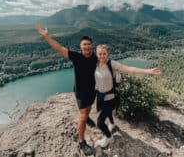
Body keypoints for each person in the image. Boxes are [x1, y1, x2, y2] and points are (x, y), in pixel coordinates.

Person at [35, 24, 97, 156]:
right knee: (83, 116)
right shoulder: (76, 56)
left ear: (92, 45)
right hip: (80, 92)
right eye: (84, 44)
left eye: (88, 44)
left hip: (92, 91)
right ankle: (82, 142)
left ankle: (88, 119)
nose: (86, 46)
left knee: (89, 108)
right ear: (81, 46)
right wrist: (46, 36)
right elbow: (58, 48)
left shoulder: (95, 57)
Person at [94, 44, 161, 148]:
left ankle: (109, 137)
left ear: (107, 54)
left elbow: (130, 69)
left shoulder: (112, 64)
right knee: (107, 113)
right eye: (100, 54)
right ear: (96, 54)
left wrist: (148, 71)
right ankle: (111, 124)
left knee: (99, 122)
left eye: (104, 53)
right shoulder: (95, 64)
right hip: (100, 97)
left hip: (111, 97)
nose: (102, 56)